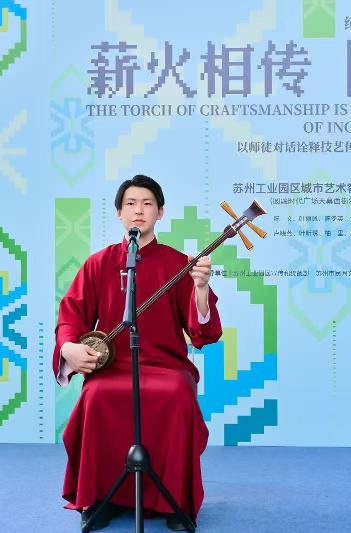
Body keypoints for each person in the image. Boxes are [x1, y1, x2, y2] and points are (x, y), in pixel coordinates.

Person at [53, 174, 222, 530]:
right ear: (119, 213)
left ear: (161, 212)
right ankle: (102, 497)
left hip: (166, 366)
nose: (139, 210)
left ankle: (173, 501)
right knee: (96, 395)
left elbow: (201, 332)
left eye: (147, 203)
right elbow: (71, 315)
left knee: (176, 393)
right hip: (113, 366)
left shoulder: (179, 264)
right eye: (130, 204)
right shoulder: (98, 263)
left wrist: (201, 289)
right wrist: (69, 347)